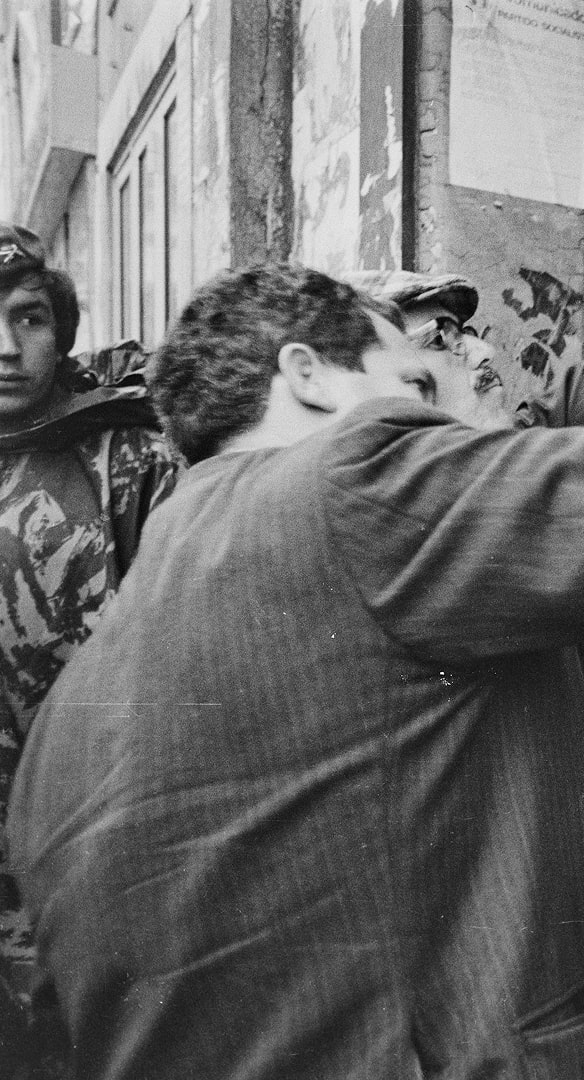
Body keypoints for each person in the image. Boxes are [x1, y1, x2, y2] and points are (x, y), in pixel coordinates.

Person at [9, 156, 584, 1079]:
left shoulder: (67, 725)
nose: (452, 403)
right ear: (311, 377)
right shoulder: (348, 489)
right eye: (416, 380)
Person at [345, 269, 584, 740]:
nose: (483, 351)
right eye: (440, 340)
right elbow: (491, 797)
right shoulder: (381, 570)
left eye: (466, 333)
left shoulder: (502, 457)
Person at [0, 224, 181, 1073]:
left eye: (28, 317)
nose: (6, 346)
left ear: (61, 329)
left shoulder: (130, 458)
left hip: (92, 854)